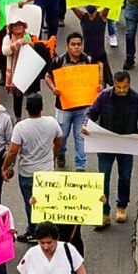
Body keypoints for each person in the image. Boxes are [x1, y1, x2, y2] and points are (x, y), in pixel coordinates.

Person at [85, 71, 138, 226]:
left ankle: (122, 206)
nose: (122, 90)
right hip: (106, 143)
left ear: (129, 84)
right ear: (114, 84)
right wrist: (85, 124)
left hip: (126, 144)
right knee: (103, 177)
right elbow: (91, 113)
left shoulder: (136, 98)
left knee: (125, 177)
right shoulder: (103, 96)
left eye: (125, 87)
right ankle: (104, 211)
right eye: (118, 87)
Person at [1, 94, 62, 242]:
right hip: (47, 171)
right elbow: (59, 143)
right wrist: (53, 157)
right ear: (42, 107)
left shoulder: (21, 127)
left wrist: (5, 167)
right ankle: (49, 230)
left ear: (26, 108)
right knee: (47, 202)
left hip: (28, 172)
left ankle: (33, 231)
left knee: (30, 203)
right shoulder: (52, 123)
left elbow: (13, 152)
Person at [46, 33, 101, 171]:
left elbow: (97, 78)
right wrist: (53, 88)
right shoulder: (59, 61)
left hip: (83, 108)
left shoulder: (89, 60)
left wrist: (99, 86)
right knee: (62, 136)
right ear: (67, 45)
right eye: (73, 44)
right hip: (63, 108)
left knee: (80, 136)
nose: (76, 47)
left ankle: (81, 166)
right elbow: (48, 76)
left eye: (79, 44)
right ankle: (61, 154)